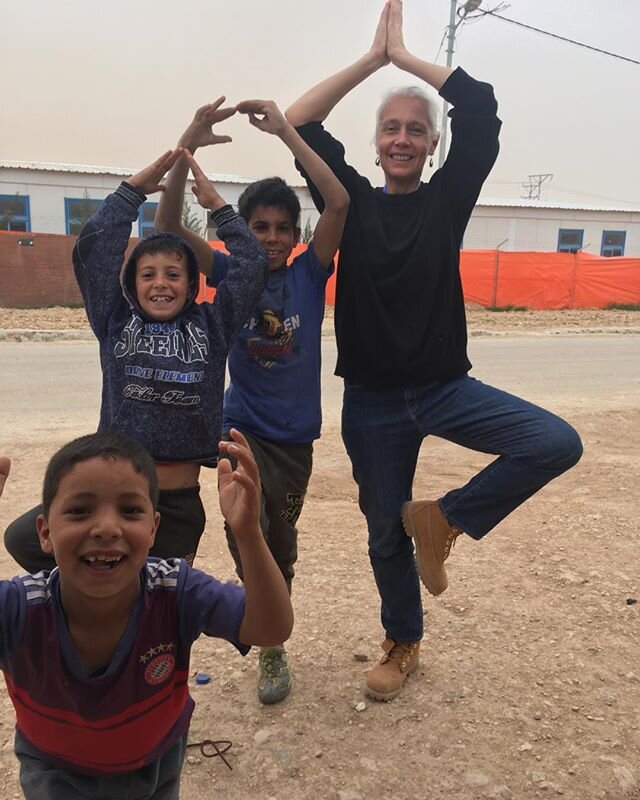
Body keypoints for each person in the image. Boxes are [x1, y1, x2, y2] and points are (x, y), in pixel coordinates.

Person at [285, 0, 583, 702]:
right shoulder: (347, 201)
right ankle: (403, 640)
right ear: (376, 141)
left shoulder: (448, 198)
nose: (402, 138)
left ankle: (445, 517)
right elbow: (298, 123)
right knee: (384, 533)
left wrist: (409, 59)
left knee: (554, 442)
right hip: (373, 403)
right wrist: (370, 61)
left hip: (446, 388)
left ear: (431, 145)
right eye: (391, 127)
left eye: (415, 130)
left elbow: (478, 106)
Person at [5, 118, 268, 572]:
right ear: (131, 282)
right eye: (148, 274)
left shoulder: (214, 324)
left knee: (163, 616)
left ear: (191, 284)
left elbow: (252, 266)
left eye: (173, 274)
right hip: (113, 492)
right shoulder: (114, 320)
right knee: (25, 541)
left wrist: (219, 210)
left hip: (178, 503)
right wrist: (132, 191)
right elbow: (92, 249)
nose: (160, 283)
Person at [155, 99, 349, 704]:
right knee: (247, 532)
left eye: (280, 228)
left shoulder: (309, 273)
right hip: (238, 429)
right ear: (239, 231)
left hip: (294, 439)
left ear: (297, 236)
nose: (268, 238)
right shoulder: (229, 271)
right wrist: (186, 148)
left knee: (280, 541)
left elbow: (338, 202)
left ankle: (272, 629)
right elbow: (165, 225)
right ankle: (269, 646)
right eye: (258, 226)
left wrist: (287, 130)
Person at [0, 429, 292, 799]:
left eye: (130, 510)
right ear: (44, 532)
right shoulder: (19, 609)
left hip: (156, 766)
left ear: (153, 529)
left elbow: (270, 628)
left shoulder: (175, 590)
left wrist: (249, 533)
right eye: (79, 511)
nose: (107, 528)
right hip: (56, 773)